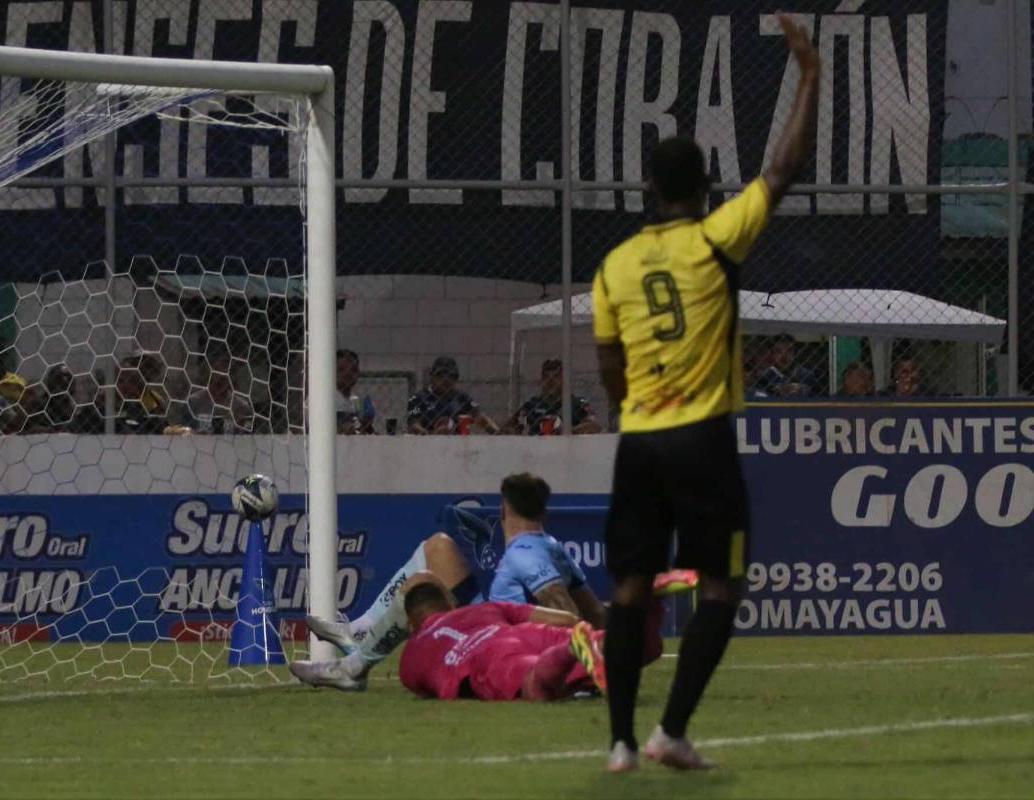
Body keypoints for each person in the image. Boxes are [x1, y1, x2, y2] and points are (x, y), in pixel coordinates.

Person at [591, 14, 819, 773]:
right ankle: (672, 730)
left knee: (629, 587)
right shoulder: (717, 240)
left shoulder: (615, 266)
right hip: (703, 438)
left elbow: (608, 362)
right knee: (720, 584)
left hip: (640, 439)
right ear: (704, 189)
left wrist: (635, 410)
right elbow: (783, 170)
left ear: (649, 188)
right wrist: (809, 72)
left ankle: (621, 742)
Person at [289, 472, 666, 692]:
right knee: (437, 548)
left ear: (503, 510)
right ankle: (360, 631)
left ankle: (354, 666)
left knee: (420, 584)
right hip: (490, 615)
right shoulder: (551, 546)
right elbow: (593, 612)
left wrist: (577, 648)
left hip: (490, 631)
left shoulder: (526, 554)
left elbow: (565, 610)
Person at [396, 577, 605, 702]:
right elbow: (568, 619)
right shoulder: (482, 608)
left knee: (535, 686)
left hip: (486, 658)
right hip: (518, 632)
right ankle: (593, 644)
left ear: (412, 624)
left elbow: (427, 690)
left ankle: (570, 650)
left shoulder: (410, 657)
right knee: (607, 642)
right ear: (450, 603)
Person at [506, 359, 602, 435]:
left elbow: (595, 426)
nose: (550, 381)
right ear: (541, 381)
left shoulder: (577, 403)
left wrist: (567, 432)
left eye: (556, 377)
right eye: (546, 377)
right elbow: (509, 427)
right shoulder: (532, 405)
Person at [407, 356, 499, 435]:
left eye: (451, 376)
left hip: (457, 443)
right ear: (432, 377)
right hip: (426, 443)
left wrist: (498, 433)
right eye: (440, 375)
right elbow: (414, 425)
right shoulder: (417, 398)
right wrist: (431, 435)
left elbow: (480, 416)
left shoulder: (462, 397)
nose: (446, 379)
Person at [176, 348, 253, 433]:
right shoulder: (192, 402)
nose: (218, 379)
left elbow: (247, 431)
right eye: (215, 376)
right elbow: (182, 429)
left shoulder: (241, 406)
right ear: (208, 375)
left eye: (223, 378)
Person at [335, 349, 376, 434]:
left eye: (353, 370)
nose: (348, 374)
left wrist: (367, 425)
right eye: (341, 369)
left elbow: (359, 427)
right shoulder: (321, 397)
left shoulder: (356, 400)